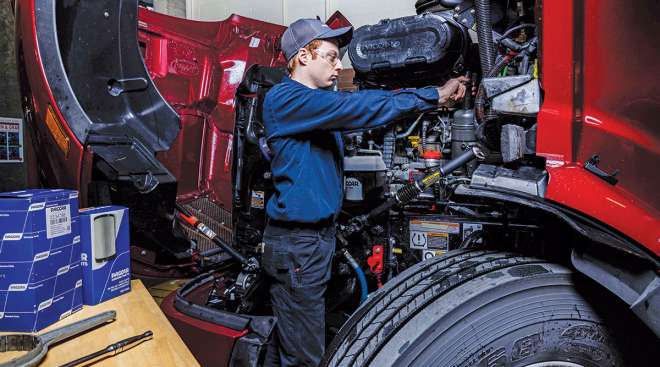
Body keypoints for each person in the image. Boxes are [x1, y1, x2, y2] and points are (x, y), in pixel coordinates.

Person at [261, 18, 467, 367]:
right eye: (330, 56)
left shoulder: (312, 107)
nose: (339, 64)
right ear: (303, 57)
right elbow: (356, 108)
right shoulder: (285, 98)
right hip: (298, 245)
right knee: (303, 356)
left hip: (312, 242)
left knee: (294, 337)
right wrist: (433, 94)